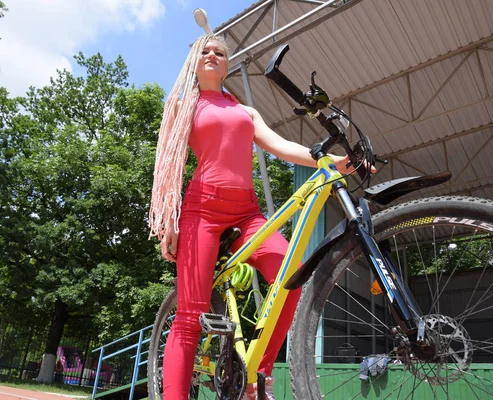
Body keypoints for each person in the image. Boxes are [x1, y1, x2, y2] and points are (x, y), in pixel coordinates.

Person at [149, 34, 368, 399]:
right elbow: (169, 166)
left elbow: (279, 145)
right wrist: (168, 222)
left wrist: (328, 161)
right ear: (192, 62)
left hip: (247, 214)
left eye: (219, 52)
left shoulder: (245, 112)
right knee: (190, 317)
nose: (212, 55)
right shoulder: (183, 105)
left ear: (227, 64)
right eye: (204, 51)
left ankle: (256, 374)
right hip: (201, 212)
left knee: (291, 277)